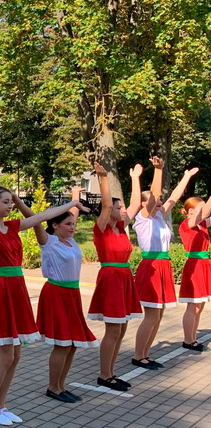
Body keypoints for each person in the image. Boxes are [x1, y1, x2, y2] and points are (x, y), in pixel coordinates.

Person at [0, 187, 85, 425]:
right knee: (5, 355)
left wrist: (72, 203)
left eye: (11, 201)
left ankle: (1, 406)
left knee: (16, 355)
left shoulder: (13, 227)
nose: (10, 205)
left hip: (17, 289)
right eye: (5, 201)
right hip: (0, 289)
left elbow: (43, 216)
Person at [16, 188, 96, 403]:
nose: (73, 227)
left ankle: (61, 385)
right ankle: (53, 387)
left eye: (74, 224)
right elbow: (32, 218)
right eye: (68, 224)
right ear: (54, 225)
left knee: (72, 344)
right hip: (56, 294)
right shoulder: (48, 241)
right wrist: (16, 199)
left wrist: (75, 200)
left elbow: (73, 213)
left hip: (72, 294)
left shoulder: (70, 240)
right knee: (62, 343)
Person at [132, 157, 196, 369]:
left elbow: (174, 197)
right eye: (152, 200)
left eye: (158, 201)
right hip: (151, 267)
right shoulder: (143, 218)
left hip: (164, 266)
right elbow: (155, 196)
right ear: (143, 203)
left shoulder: (160, 216)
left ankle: (146, 354)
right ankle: (138, 355)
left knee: (158, 315)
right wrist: (158, 170)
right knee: (151, 315)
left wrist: (186, 176)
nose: (158, 202)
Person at [87, 162, 143, 391]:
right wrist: (103, 178)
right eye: (119, 208)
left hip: (124, 279)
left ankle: (111, 372)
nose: (123, 211)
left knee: (121, 329)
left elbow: (137, 203)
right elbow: (107, 204)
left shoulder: (121, 227)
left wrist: (135, 178)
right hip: (110, 279)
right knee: (113, 329)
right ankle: (104, 375)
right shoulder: (102, 228)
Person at [179, 193, 211, 351]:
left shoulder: (203, 223)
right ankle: (188, 339)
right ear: (190, 210)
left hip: (204, 264)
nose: (204, 210)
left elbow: (206, 215)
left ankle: (193, 338)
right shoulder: (187, 223)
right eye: (200, 206)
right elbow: (204, 214)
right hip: (195, 265)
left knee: (200, 306)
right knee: (193, 306)